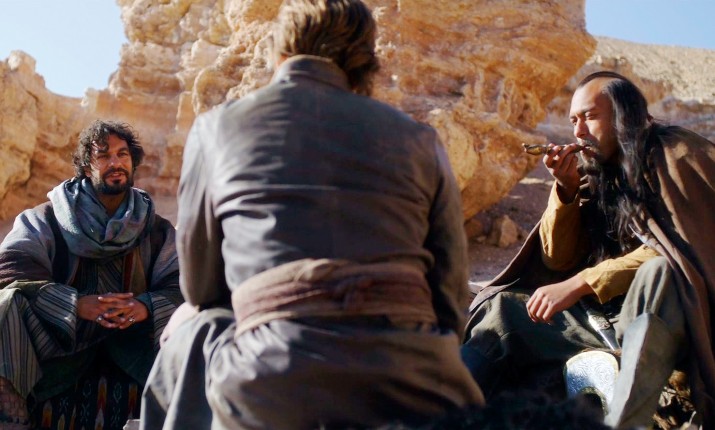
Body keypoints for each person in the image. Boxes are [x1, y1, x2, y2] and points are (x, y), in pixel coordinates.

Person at [140, 0, 484, 428]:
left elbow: (200, 287)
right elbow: (450, 297)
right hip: (416, 378)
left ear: (279, 53)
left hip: (267, 378)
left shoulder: (216, 128)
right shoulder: (420, 139)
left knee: (190, 330)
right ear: (364, 62)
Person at [461, 70, 715, 429]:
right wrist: (565, 191)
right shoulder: (595, 171)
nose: (579, 131)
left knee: (657, 275)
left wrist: (582, 283)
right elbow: (557, 259)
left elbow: (678, 251)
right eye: (573, 121)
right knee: (501, 309)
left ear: (625, 117)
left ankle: (627, 418)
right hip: (598, 321)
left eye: (590, 117)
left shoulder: (679, 155)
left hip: (665, 320)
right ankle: (442, 413)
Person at [0, 120, 182, 429]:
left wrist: (145, 307)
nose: (116, 163)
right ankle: (10, 412)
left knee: (200, 315)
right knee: (6, 302)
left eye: (122, 154)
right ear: (86, 166)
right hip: (60, 339)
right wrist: (75, 305)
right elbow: (11, 270)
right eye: (104, 155)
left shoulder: (155, 227)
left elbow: (179, 283)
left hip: (135, 340)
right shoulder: (46, 218)